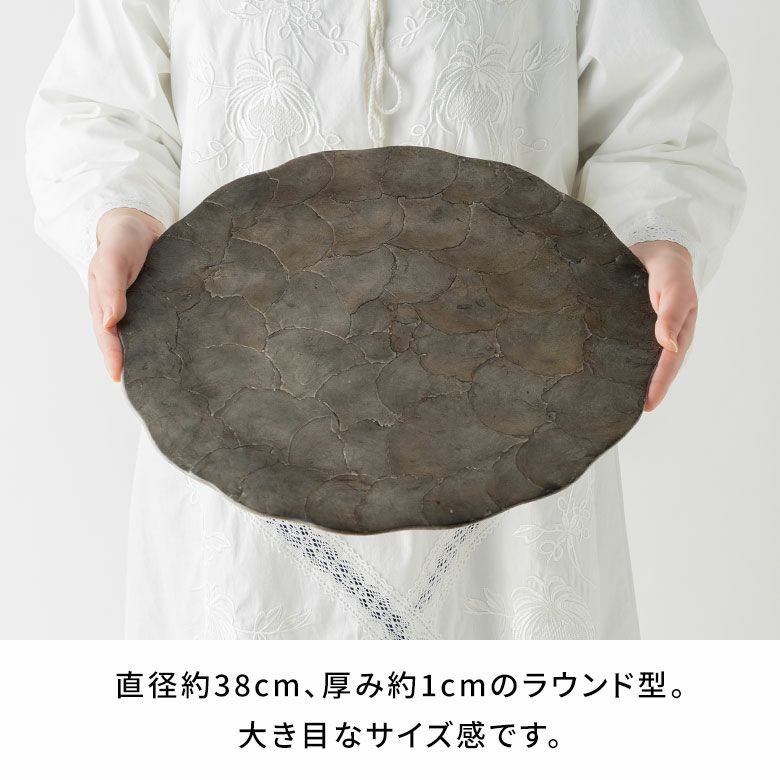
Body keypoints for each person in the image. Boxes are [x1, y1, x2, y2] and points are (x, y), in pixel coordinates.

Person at [26, 0, 745, 639]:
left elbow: (658, 114)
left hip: (523, 410)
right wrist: (121, 215)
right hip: (235, 411)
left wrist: (654, 238)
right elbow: (102, 108)